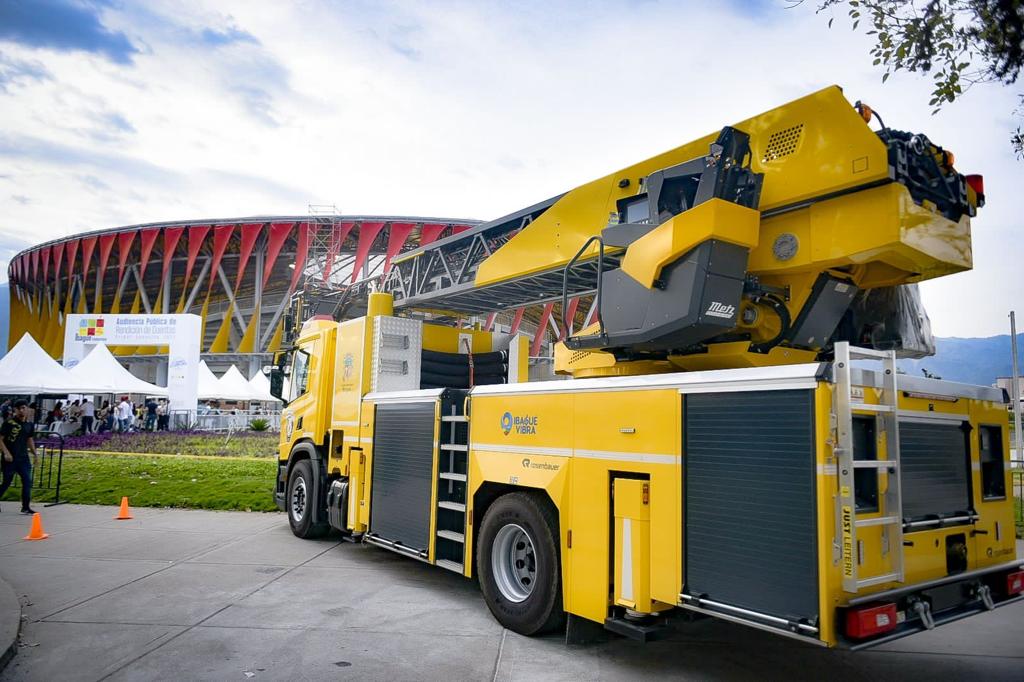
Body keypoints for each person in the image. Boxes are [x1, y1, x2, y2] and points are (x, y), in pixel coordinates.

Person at [0, 399, 37, 514]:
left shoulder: (29, 424)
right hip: (10, 458)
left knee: (27, 481)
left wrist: (35, 454)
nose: (21, 410)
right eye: (18, 408)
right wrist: (6, 453)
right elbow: (0, 439)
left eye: (23, 408)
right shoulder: (9, 423)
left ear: (27, 409)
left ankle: (25, 506)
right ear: (15, 410)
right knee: (7, 482)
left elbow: (29, 439)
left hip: (23, 458)